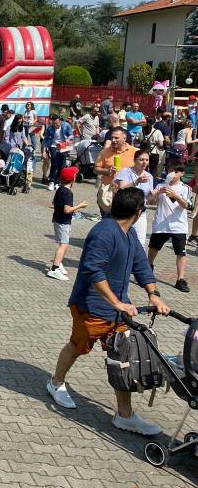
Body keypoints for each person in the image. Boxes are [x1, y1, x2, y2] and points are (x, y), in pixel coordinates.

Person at [46, 187, 169, 436]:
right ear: (139, 211)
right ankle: (56, 383)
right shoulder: (104, 232)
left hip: (119, 311)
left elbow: (141, 265)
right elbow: (93, 270)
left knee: (122, 358)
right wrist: (116, 302)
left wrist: (153, 294)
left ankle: (124, 416)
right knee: (78, 346)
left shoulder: (129, 233)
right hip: (91, 306)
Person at [146, 166, 190, 293]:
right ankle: (148, 270)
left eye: (176, 171)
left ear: (182, 173)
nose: (173, 174)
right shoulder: (160, 185)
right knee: (153, 248)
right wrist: (156, 193)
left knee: (181, 252)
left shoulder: (185, 188)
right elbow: (149, 201)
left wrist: (175, 195)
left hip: (178, 225)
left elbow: (187, 205)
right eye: (171, 171)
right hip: (161, 224)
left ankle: (180, 279)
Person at [48, 167, 87, 280]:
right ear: (73, 179)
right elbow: (67, 210)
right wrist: (81, 205)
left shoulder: (60, 189)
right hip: (63, 222)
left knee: (64, 243)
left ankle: (59, 263)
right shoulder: (68, 193)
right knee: (63, 245)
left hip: (57, 219)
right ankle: (54, 269)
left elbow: (53, 203)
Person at [113, 150, 153, 244]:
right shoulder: (126, 171)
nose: (144, 162)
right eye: (141, 160)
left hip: (140, 212)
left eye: (147, 160)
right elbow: (122, 188)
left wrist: (155, 194)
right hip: (125, 210)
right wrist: (136, 181)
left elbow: (148, 199)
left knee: (140, 241)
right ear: (135, 160)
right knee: (121, 238)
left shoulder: (149, 176)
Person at [94, 127, 136, 215]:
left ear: (124, 139)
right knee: (107, 221)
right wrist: (107, 171)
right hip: (109, 194)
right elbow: (96, 169)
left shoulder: (135, 152)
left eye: (116, 138)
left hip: (127, 193)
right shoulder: (105, 152)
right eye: (112, 138)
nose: (113, 140)